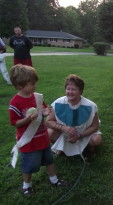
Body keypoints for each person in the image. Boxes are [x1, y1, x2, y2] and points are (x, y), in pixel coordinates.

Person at [9, 64, 68, 196]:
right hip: (29, 141)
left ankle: (54, 180)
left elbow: (44, 110)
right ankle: (26, 186)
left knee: (49, 160)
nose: (34, 86)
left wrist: (46, 112)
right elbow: (15, 123)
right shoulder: (15, 102)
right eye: (31, 84)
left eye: (34, 83)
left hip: (43, 138)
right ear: (20, 86)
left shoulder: (37, 97)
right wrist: (27, 119)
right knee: (28, 166)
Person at [46, 74, 102, 157]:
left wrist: (79, 135)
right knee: (48, 133)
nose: (70, 92)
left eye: (74, 89)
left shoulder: (91, 105)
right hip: (64, 134)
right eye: (68, 89)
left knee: (96, 140)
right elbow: (48, 122)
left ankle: (90, 149)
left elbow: (95, 126)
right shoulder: (58, 103)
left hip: (83, 134)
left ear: (80, 91)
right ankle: (60, 148)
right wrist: (63, 128)